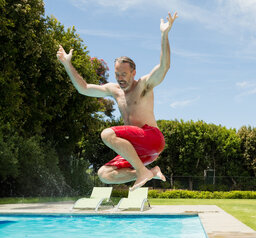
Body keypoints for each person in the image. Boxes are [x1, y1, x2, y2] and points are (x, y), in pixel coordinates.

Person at [57, 12, 178, 191]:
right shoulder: (113, 90)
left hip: (151, 138)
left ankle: (142, 171)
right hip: (138, 151)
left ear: (133, 73)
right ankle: (147, 172)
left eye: (124, 74)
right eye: (117, 74)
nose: (120, 78)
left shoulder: (144, 85)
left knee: (107, 134)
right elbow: (83, 88)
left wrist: (164, 34)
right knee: (104, 174)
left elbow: (164, 66)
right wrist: (67, 65)